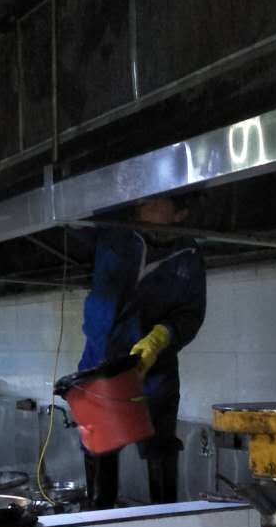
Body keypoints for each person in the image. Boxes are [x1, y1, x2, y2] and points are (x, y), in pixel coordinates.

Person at [76, 194, 206, 508]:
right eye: (144, 201)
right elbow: (78, 223)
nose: (145, 206)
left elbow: (191, 314)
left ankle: (165, 521)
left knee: (160, 451)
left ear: (180, 214)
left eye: (157, 202)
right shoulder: (115, 232)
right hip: (100, 364)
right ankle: (98, 522)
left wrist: (160, 338)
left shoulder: (189, 258)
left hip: (153, 370)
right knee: (98, 450)